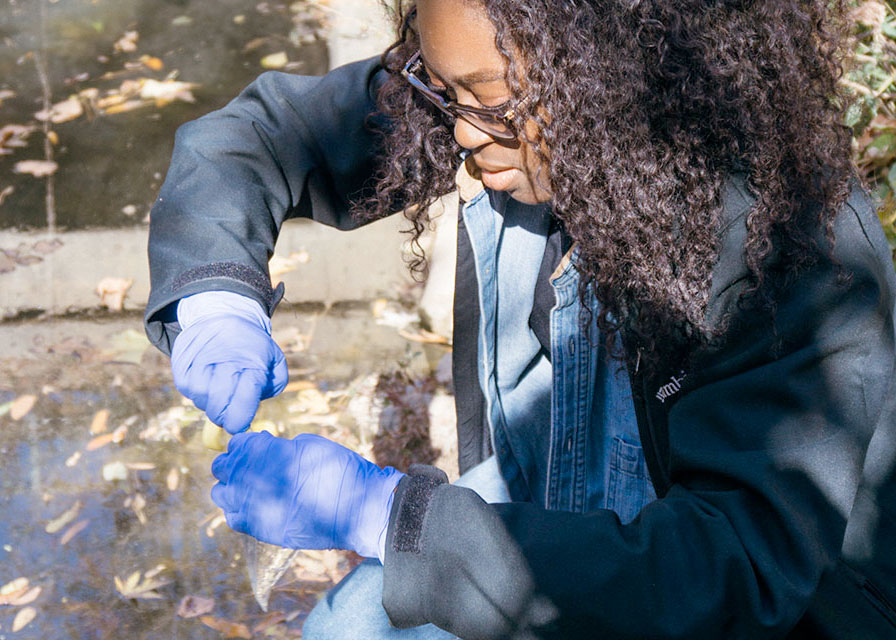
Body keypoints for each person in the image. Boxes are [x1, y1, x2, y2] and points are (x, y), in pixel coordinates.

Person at [144, 0, 896, 637]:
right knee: (346, 626)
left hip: (743, 590)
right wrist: (214, 297)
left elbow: (731, 573)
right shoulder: (492, 97)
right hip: (559, 490)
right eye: (441, 86)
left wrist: (389, 517)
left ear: (612, 69)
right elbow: (256, 140)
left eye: (489, 101)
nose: (463, 134)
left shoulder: (794, 248)